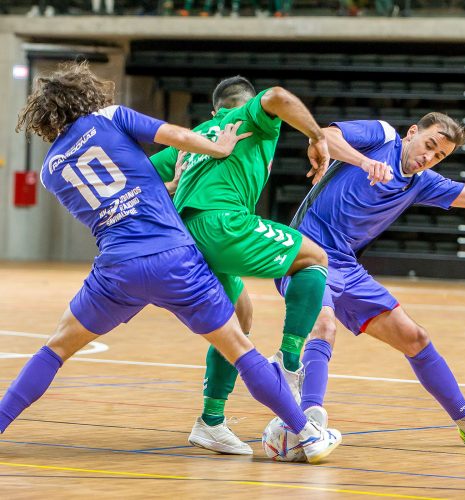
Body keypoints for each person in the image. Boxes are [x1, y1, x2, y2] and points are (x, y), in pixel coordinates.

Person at [0, 62, 341, 465]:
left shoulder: (51, 171)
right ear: (86, 94)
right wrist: (218, 147)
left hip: (117, 269)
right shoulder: (110, 117)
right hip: (175, 260)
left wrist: (173, 185)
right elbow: (177, 136)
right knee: (240, 347)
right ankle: (304, 431)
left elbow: (118, 194)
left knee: (55, 348)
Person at [150, 76, 389, 455]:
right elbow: (278, 96)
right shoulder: (250, 118)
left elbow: (134, 183)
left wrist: (174, 183)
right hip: (221, 224)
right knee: (315, 258)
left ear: (215, 111)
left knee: (238, 321)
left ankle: (210, 422)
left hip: (185, 243)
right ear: (245, 106)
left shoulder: (192, 137)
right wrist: (316, 137)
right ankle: (289, 364)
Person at [275, 112, 465, 446]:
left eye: (439, 156)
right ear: (412, 133)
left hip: (346, 266)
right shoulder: (381, 136)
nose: (428, 157)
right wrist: (364, 162)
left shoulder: (422, 182)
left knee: (415, 337)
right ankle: (309, 424)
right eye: (429, 145)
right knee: (324, 326)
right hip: (305, 253)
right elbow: (323, 136)